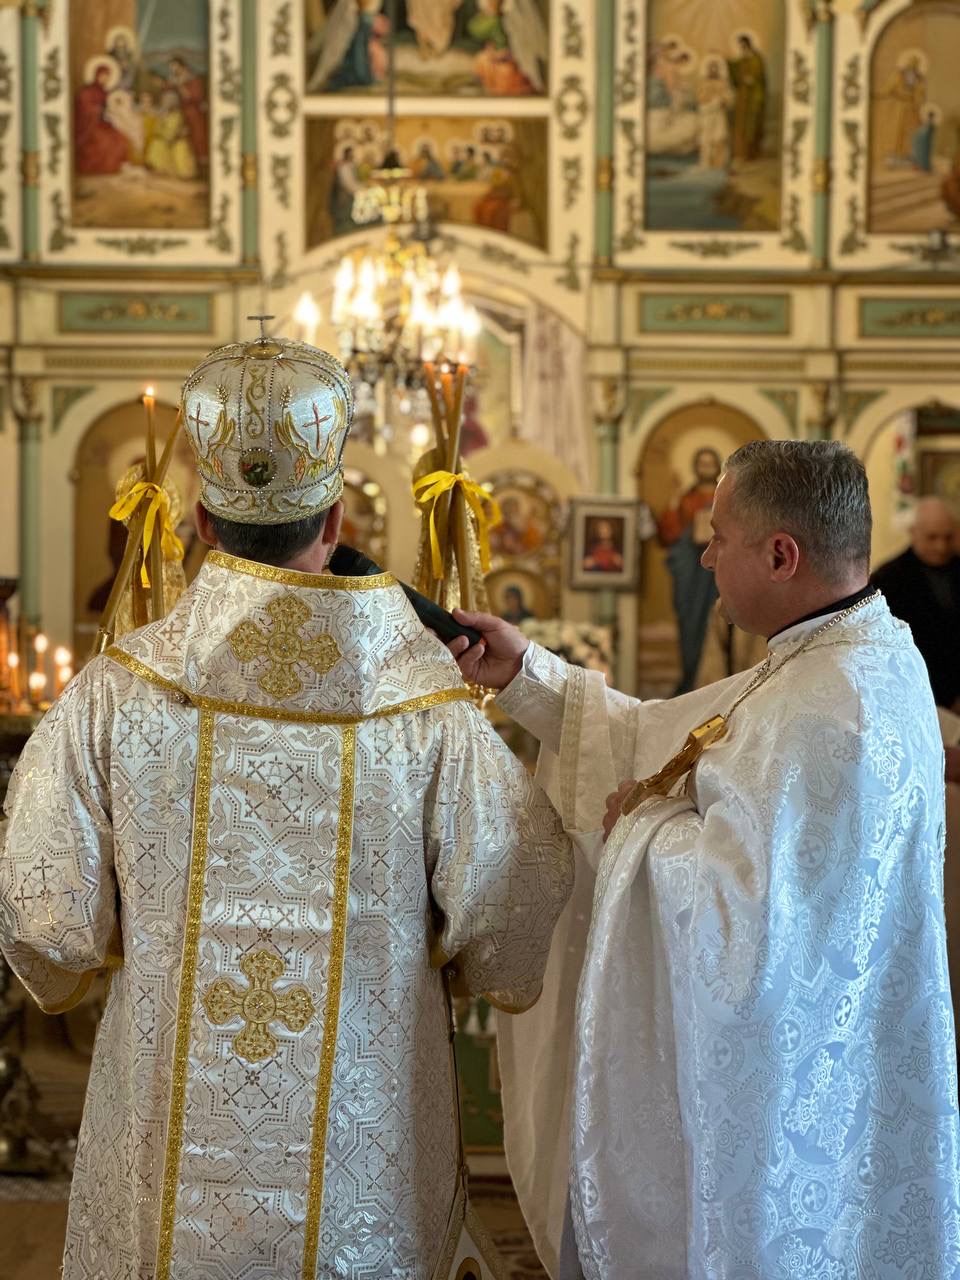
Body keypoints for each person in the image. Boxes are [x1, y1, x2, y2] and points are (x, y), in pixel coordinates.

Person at [0, 330, 572, 1279]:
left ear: (201, 522)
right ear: (337, 518)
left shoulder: (115, 694)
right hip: (367, 1140)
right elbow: (515, 902)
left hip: (165, 1121)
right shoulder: (428, 710)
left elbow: (48, 920)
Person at [449, 440, 960, 1279]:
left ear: (782, 555)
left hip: (788, 1101)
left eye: (720, 536)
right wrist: (526, 673)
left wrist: (639, 827)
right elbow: (658, 735)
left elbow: (748, 933)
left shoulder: (833, 706)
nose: (704, 554)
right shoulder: (842, 654)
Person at [658, 446, 722, 695]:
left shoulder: (726, 496)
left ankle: (715, 678)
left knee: (716, 621)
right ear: (696, 467)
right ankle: (690, 678)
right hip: (692, 575)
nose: (706, 467)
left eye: (710, 463)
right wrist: (675, 501)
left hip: (716, 574)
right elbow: (669, 534)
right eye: (702, 463)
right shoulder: (686, 499)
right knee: (691, 624)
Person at [74, 61, 129, 176]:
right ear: (97, 75)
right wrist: (99, 110)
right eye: (103, 76)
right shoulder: (86, 91)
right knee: (104, 141)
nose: (105, 79)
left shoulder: (105, 92)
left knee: (120, 138)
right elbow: (84, 109)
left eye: (107, 77)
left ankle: (111, 167)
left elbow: (111, 106)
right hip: (88, 127)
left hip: (103, 124)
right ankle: (98, 168)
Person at [728, 32, 766, 163]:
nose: (741, 48)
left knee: (751, 125)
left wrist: (752, 79)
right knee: (741, 124)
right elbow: (735, 70)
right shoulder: (742, 59)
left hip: (753, 97)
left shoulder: (756, 58)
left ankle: (751, 154)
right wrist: (726, 61)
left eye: (742, 45)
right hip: (743, 97)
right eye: (740, 46)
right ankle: (740, 153)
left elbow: (759, 76)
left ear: (747, 44)